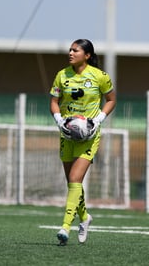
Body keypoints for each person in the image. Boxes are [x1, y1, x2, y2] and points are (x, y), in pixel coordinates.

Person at [49, 39, 116, 245]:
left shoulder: (100, 77)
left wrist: (98, 120)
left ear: (87, 55)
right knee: (71, 181)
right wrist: (60, 120)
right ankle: (85, 217)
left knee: (75, 179)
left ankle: (65, 227)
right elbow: (54, 102)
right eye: (69, 49)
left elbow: (111, 99)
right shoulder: (62, 75)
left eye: (75, 50)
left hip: (89, 136)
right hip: (67, 134)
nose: (70, 53)